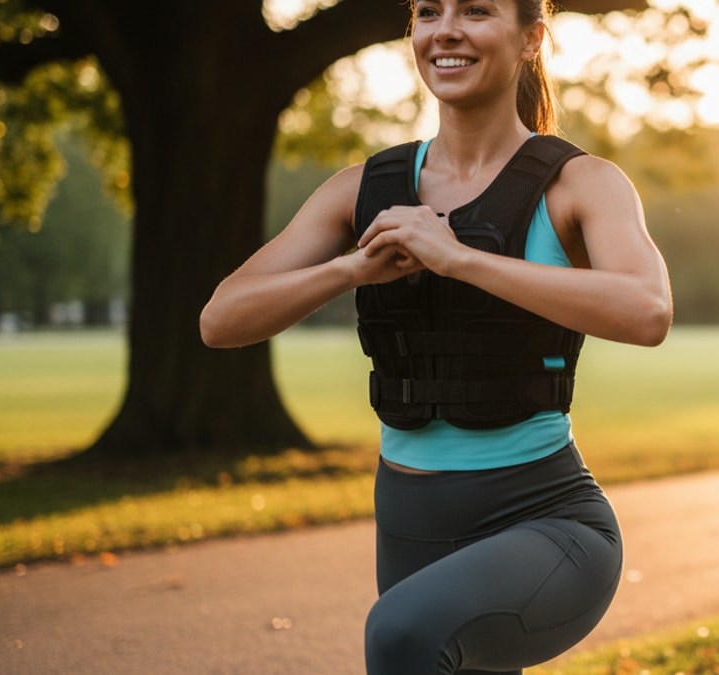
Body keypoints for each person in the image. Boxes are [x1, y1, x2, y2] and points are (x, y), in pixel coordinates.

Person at [199, 0, 673, 670]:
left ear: (531, 38)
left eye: (476, 10)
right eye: (428, 11)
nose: (446, 28)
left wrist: (461, 259)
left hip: (547, 522)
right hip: (408, 524)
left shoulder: (581, 184)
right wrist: (350, 268)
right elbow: (220, 319)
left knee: (400, 633)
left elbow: (647, 308)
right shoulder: (362, 188)